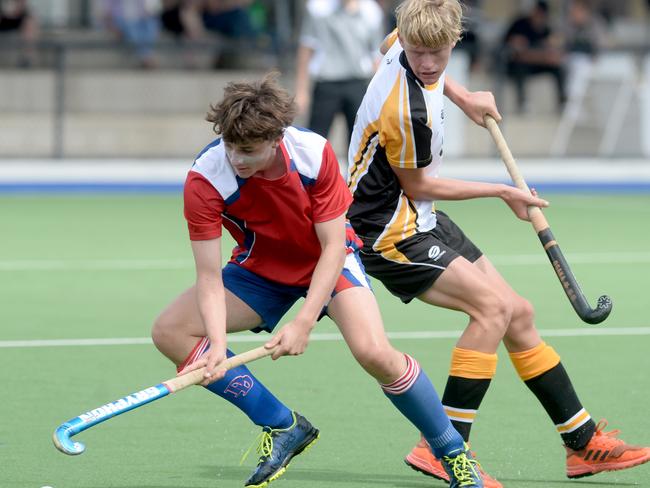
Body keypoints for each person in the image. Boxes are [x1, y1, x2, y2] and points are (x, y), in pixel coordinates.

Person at [346, 1, 650, 487]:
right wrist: (501, 190)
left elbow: (394, 47)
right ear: (407, 38)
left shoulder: (400, 45)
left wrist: (462, 96)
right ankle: (443, 445)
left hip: (418, 219)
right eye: (418, 52)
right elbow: (420, 184)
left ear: (454, 41)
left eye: (437, 53)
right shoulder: (406, 111)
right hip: (385, 232)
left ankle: (583, 442)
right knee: (492, 311)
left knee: (520, 311)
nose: (426, 63)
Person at [151, 73, 484, 488]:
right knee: (170, 332)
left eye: (249, 150)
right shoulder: (205, 178)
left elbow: (331, 247)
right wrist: (217, 343)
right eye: (231, 146)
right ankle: (281, 424)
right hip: (262, 269)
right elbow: (207, 275)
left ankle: (454, 453)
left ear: (276, 139)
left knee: (374, 353)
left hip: (328, 260)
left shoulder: (312, 153)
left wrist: (304, 321)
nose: (237, 158)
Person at [294, 0, 385, 144]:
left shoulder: (371, 11)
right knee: (315, 140)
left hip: (358, 83)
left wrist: (381, 93)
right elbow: (306, 48)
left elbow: (377, 56)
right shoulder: (318, 8)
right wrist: (301, 91)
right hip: (326, 83)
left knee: (360, 140)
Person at [501, 0, 566, 113]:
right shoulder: (520, 24)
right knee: (520, 67)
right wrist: (539, 55)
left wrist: (544, 55)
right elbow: (517, 53)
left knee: (559, 69)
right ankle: (522, 102)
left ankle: (563, 103)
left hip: (537, 63)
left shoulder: (545, 28)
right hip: (515, 64)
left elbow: (551, 51)